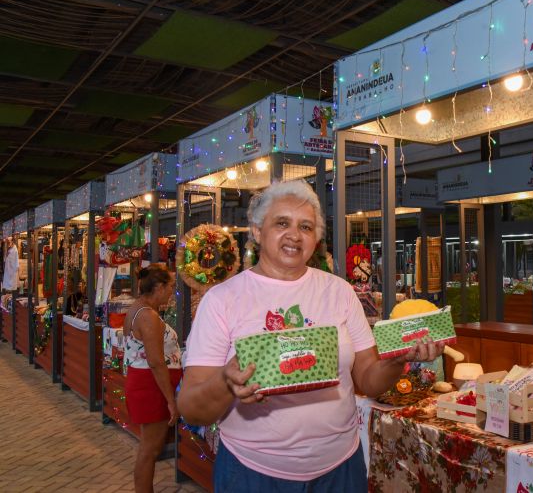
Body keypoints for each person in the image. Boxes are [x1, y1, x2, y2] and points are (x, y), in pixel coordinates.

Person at [178, 180, 443, 492]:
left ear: (315, 239)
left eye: (306, 226)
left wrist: (397, 360)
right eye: (281, 223)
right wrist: (226, 381)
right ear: (257, 231)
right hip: (253, 473)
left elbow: (368, 380)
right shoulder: (223, 299)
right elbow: (191, 407)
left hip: (340, 468)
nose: (294, 234)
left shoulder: (339, 292)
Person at [123, 264, 181, 493]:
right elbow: (156, 362)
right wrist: (170, 400)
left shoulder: (139, 309)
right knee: (150, 450)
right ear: (159, 287)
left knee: (149, 448)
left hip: (146, 384)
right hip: (152, 388)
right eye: (170, 287)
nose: (171, 292)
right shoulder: (148, 316)